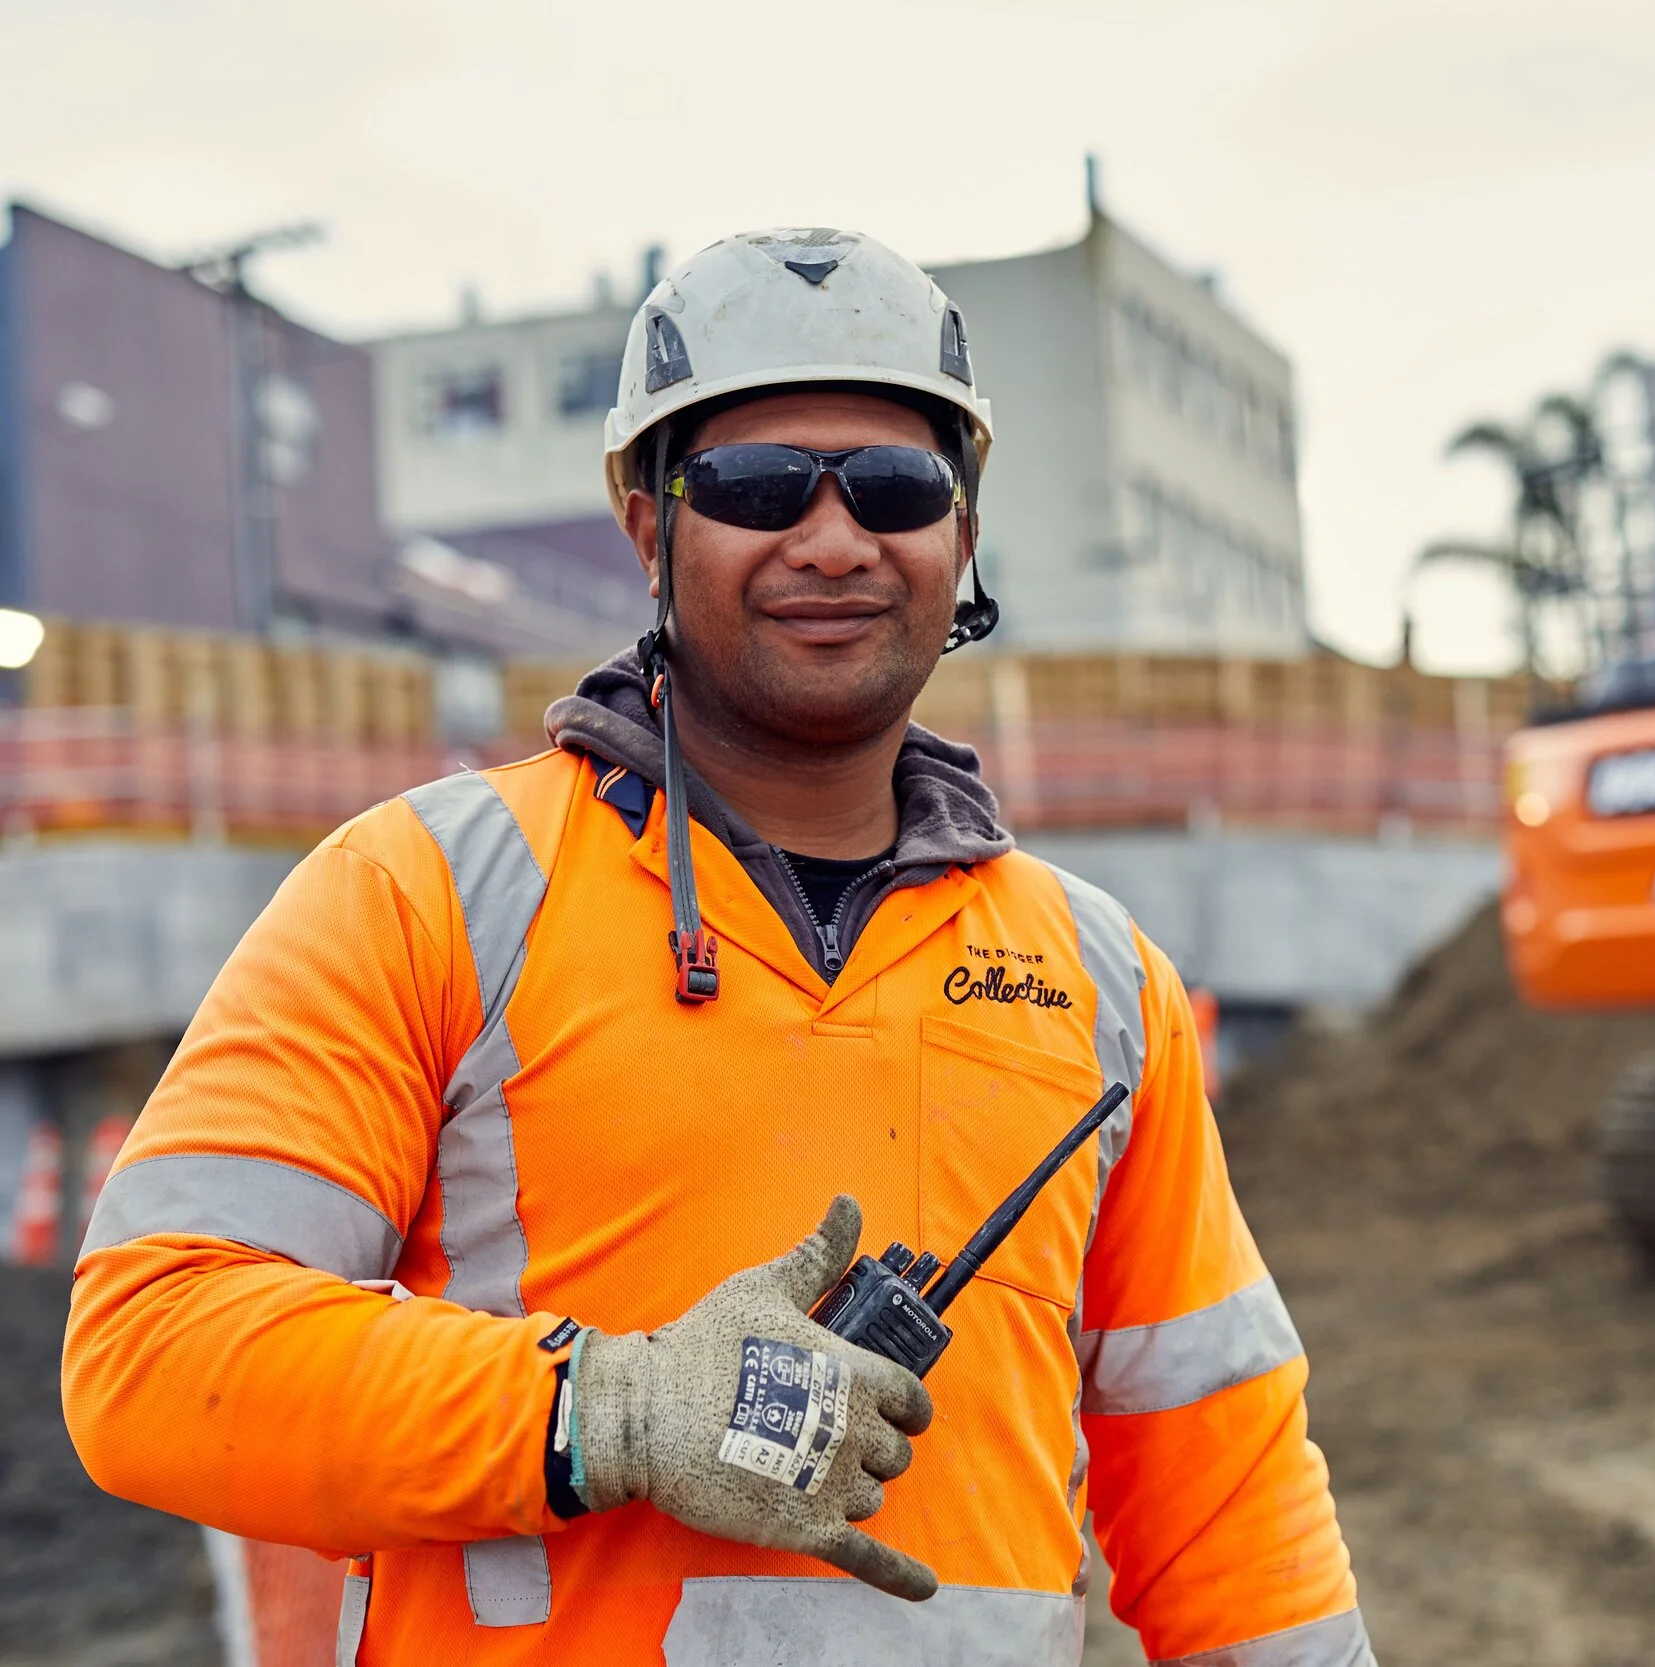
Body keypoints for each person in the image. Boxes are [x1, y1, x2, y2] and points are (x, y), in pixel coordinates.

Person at [61, 228, 1370, 1666]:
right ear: (649, 528)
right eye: (756, 486)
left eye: (894, 486)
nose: (831, 538)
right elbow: (151, 1351)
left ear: (963, 537)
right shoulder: (425, 890)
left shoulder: (1101, 980)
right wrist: (603, 1414)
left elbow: (1225, 1483)